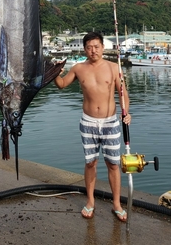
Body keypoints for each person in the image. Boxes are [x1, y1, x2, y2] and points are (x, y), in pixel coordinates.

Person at [54, 31, 131, 222]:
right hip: (88, 122)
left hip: (110, 121)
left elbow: (123, 94)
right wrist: (55, 73)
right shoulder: (79, 68)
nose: (93, 50)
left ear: (103, 47)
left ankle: (116, 204)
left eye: (97, 46)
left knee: (113, 164)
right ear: (84, 49)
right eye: (89, 47)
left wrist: (126, 113)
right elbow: (62, 85)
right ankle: (90, 201)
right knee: (90, 162)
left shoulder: (114, 68)